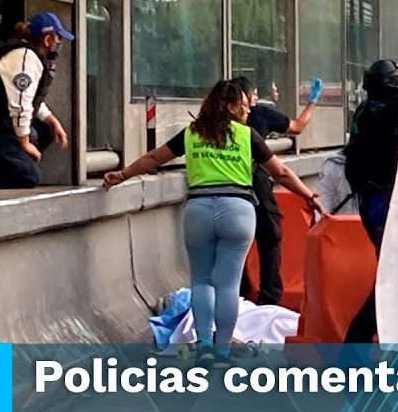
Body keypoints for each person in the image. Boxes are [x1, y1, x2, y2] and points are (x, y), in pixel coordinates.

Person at [103, 80, 321, 367]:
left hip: (199, 210)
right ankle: (222, 350)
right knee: (228, 285)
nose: (247, 111)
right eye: (243, 106)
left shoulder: (193, 132)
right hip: (238, 210)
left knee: (202, 280)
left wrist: (123, 174)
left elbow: (155, 157)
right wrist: (308, 195)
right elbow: (279, 173)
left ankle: (203, 344)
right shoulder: (247, 135)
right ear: (231, 107)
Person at [343, 60, 398, 344]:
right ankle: (357, 344)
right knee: (395, 275)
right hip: (380, 201)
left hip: (385, 200)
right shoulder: (372, 112)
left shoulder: (378, 112)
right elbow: (384, 119)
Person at [233, 75, 320, 306]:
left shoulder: (212, 124)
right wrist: (312, 102)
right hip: (256, 181)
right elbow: (297, 128)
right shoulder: (259, 115)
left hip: (224, 186)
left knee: (232, 241)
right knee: (269, 236)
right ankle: (269, 296)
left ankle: (237, 294)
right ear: (248, 98)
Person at [0, 13, 71, 188]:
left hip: (1, 123)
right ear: (47, 40)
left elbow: (31, 98)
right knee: (28, 177)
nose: (59, 43)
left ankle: (9, 159)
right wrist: (25, 143)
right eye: (58, 38)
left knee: (44, 129)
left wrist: (52, 121)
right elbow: (20, 103)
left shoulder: (33, 56)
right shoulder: (25, 57)